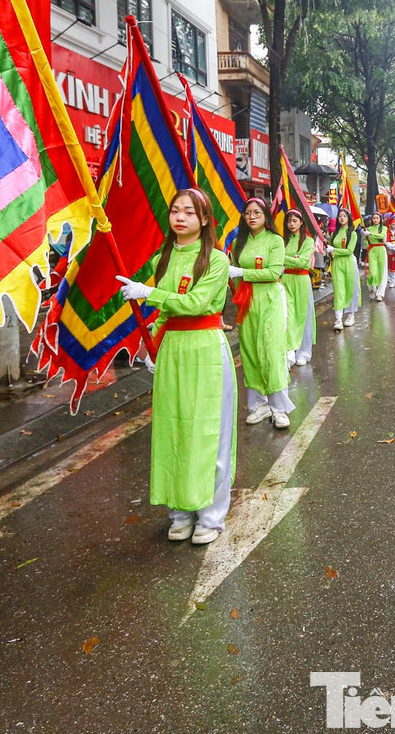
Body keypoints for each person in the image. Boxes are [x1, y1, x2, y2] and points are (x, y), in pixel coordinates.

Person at [115, 189, 237, 545]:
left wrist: (148, 293)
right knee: (173, 431)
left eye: (189, 212)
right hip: (172, 350)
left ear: (204, 219)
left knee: (207, 434)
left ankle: (211, 516)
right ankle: (180, 512)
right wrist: (151, 344)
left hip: (205, 350)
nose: (180, 217)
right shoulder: (162, 259)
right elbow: (166, 314)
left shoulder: (216, 259)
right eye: (174, 211)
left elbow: (197, 304)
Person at [230, 198, 293, 429]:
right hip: (247, 301)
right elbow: (234, 272)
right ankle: (258, 405)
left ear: (266, 215)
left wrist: (241, 271)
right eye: (247, 213)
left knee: (271, 350)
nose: (252, 216)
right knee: (250, 351)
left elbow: (274, 272)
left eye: (257, 212)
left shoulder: (275, 241)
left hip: (270, 300)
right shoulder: (239, 241)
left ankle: (279, 408)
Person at [282, 210, 317, 366]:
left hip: (302, 280)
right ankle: (289, 352)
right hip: (286, 280)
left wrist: (284, 259)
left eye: (295, 221)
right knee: (287, 315)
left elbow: (304, 263)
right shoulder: (283, 241)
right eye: (289, 221)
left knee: (303, 316)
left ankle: (304, 352)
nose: (292, 224)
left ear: (301, 222)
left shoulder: (308, 241)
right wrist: (293, 259)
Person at [329, 208, 361, 331]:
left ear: (349, 218)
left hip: (349, 263)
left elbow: (349, 251)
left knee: (350, 289)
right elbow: (330, 245)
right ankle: (338, 319)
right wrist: (330, 252)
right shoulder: (334, 233)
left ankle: (351, 315)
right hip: (337, 263)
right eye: (340, 216)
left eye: (344, 216)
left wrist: (334, 251)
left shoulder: (352, 233)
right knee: (338, 290)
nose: (341, 218)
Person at [366, 212, 389, 301]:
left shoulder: (384, 228)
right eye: (374, 218)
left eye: (377, 218)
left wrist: (370, 234)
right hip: (372, 250)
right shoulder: (368, 228)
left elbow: (382, 236)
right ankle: (372, 289)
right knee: (373, 272)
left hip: (381, 249)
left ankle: (380, 293)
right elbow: (365, 240)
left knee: (382, 272)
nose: (375, 220)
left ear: (380, 219)